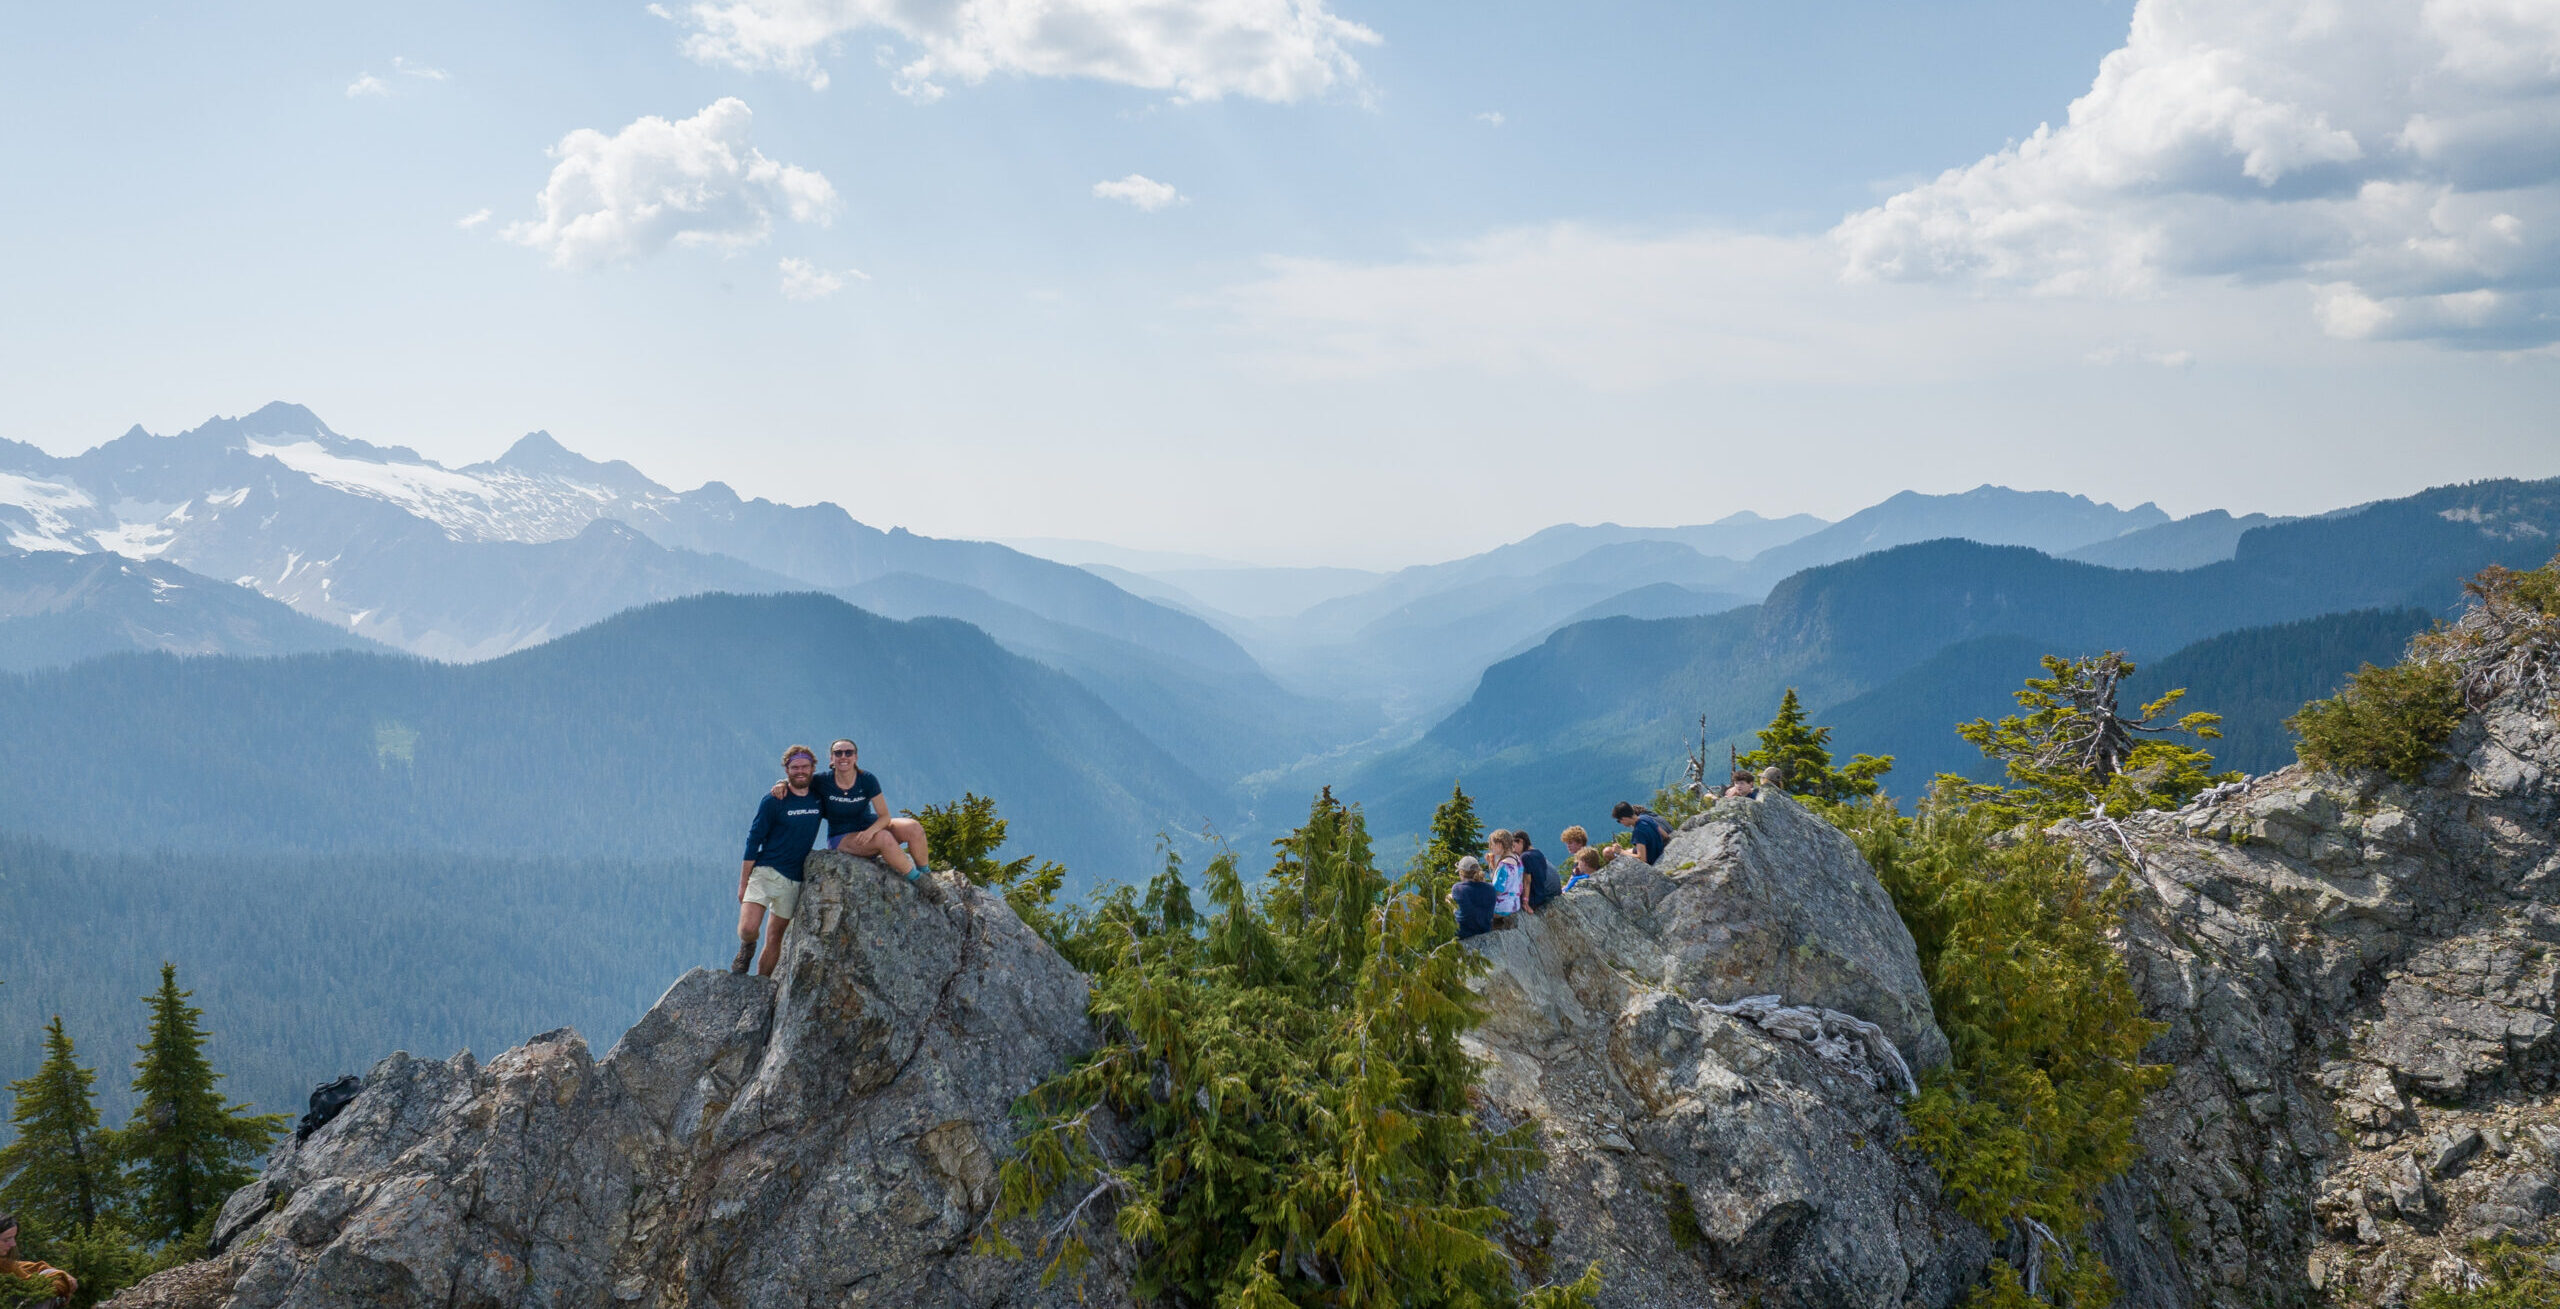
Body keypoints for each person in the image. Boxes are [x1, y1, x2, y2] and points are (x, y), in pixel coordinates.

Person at [781, 740, 941, 904]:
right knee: (884, 838)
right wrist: (781, 784)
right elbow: (799, 780)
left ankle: (926, 874)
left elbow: (884, 816)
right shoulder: (822, 781)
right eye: (838, 753)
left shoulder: (866, 779)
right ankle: (918, 880)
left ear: (855, 757)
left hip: (869, 828)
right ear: (831, 758)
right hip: (842, 837)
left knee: (913, 827)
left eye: (848, 752)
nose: (843, 756)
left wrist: (870, 831)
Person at [736, 745, 828, 976]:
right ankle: (747, 947)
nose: (800, 771)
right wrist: (743, 882)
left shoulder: (819, 797)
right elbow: (753, 840)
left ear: (813, 768)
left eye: (804, 767)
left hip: (794, 880)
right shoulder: (774, 800)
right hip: (765, 871)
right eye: (794, 767)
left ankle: (760, 984)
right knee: (748, 928)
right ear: (786, 770)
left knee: (775, 936)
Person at [0, 1214, 76, 1302]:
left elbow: (25, 1266)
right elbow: (33, 1287)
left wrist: (60, 1274)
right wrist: (62, 1280)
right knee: (43, 1297)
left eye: (14, 1237)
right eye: (6, 1240)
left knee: (48, 1273)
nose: (13, 1244)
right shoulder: (6, 1266)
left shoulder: (7, 1263)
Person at [1448, 856, 1497, 940]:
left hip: (1462, 933)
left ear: (1461, 873)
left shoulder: (1457, 888)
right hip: (1484, 930)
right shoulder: (1491, 888)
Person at [1487, 830, 1528, 926]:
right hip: (1515, 905)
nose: (1490, 847)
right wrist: (1492, 865)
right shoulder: (1517, 859)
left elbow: (1497, 890)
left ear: (1500, 844)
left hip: (1501, 908)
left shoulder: (1504, 865)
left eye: (1492, 844)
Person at [1518, 828, 1560, 911]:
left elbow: (1527, 881)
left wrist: (1525, 902)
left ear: (1521, 841)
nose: (1513, 850)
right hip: (1555, 891)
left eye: (1513, 846)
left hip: (1545, 894)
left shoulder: (1526, 856)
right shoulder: (1537, 853)